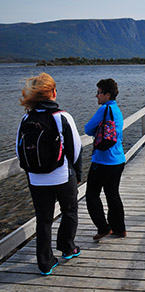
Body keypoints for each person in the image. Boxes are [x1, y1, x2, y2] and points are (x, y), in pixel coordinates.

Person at [16, 72, 82, 276]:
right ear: (53, 92)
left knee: (43, 219)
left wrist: (32, 173)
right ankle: (68, 248)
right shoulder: (62, 116)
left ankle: (45, 263)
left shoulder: (26, 117)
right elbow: (76, 149)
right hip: (62, 175)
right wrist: (77, 174)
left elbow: (19, 150)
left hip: (36, 178)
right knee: (69, 210)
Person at [85, 78, 126, 241]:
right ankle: (119, 229)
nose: (96, 96)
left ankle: (103, 227)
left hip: (103, 160)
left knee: (91, 195)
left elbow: (88, 129)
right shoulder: (117, 110)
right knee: (112, 194)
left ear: (107, 95)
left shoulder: (104, 109)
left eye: (99, 93)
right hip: (118, 159)